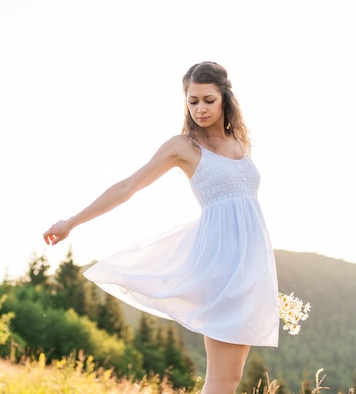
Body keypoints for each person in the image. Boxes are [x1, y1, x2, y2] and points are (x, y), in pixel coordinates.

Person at [43, 61, 279, 394]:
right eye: (192, 100)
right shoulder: (183, 146)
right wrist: (71, 222)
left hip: (251, 266)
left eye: (208, 100)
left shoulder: (240, 142)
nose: (199, 108)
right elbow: (127, 187)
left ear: (225, 98)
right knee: (221, 380)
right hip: (220, 265)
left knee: (232, 378)